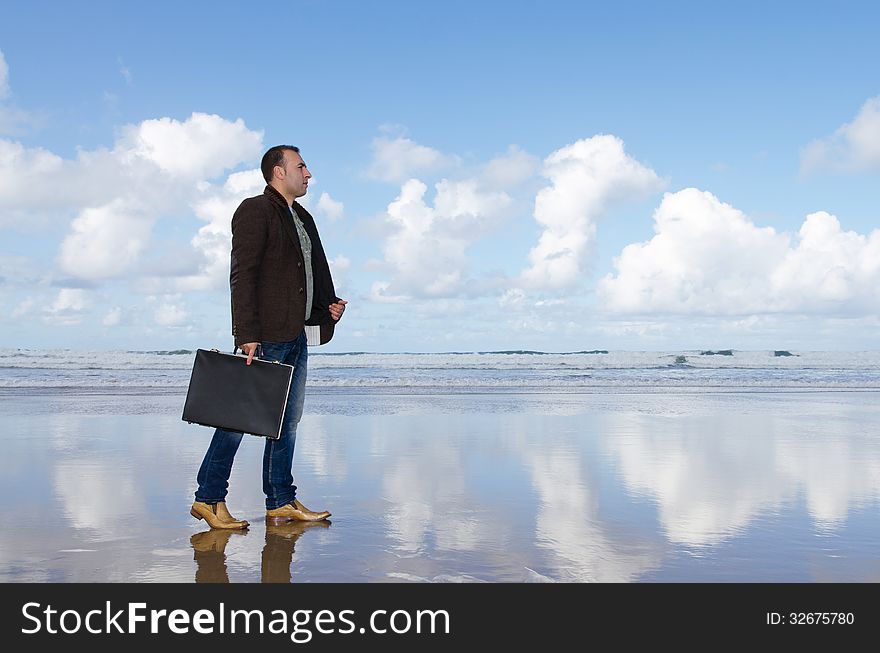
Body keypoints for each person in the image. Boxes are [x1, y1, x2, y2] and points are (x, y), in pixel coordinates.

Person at [190, 145, 347, 530]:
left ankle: (279, 501)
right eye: (301, 166)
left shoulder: (303, 217)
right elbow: (242, 274)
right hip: (266, 335)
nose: (308, 174)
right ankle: (208, 498)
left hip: (296, 333)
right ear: (279, 172)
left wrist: (326, 307)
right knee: (239, 419)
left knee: (286, 422)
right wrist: (246, 333)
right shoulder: (255, 210)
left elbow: (304, 275)